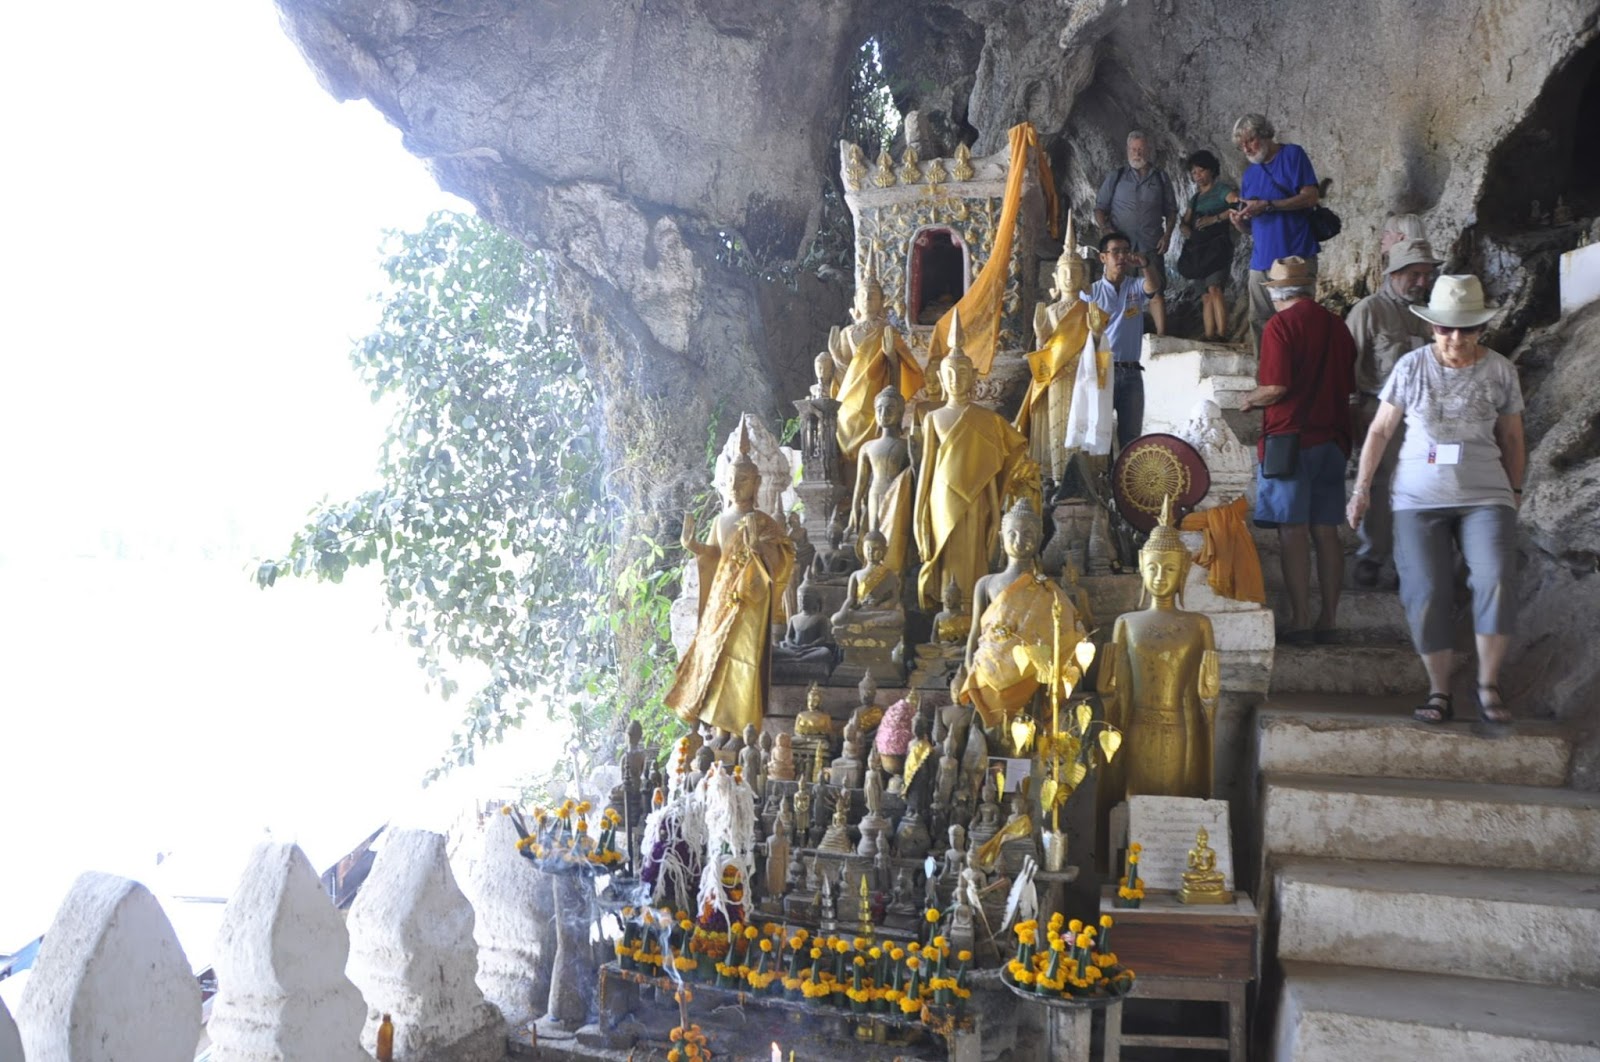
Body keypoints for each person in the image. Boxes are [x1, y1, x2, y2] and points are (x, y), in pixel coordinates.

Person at [1346, 275, 1524, 727]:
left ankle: (1487, 683)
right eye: (1446, 329)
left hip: (1486, 493)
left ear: (1481, 329)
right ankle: (1439, 688)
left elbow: (1513, 437)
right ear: (1431, 328)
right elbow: (1381, 430)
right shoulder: (1410, 366)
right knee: (1425, 590)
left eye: (1466, 329)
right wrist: (1362, 488)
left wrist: (1516, 490)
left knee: (1496, 577)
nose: (1455, 338)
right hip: (1417, 497)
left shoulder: (1501, 369)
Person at [1239, 257, 1356, 644]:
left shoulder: (1281, 326)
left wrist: (1249, 399)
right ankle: (1330, 619)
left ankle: (1302, 620)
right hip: (1333, 441)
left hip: (1292, 443)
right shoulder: (1338, 326)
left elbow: (1276, 388)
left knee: (1293, 531)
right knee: (1327, 532)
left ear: (1277, 293)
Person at [1345, 237, 1442, 587]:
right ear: (1395, 273)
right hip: (1379, 409)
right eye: (1415, 274)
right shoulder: (1369, 310)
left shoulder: (1430, 311)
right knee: (1380, 483)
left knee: (1420, 485)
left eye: (1427, 275)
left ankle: (1408, 561)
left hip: (1426, 416)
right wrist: (1353, 410)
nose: (1422, 282)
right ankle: (1373, 554)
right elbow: (1348, 365)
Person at [1227, 114, 1322, 349]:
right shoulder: (1250, 174)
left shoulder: (1292, 155)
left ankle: (1304, 379)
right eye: (1242, 146)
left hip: (1295, 254)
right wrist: (1240, 222)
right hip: (1261, 261)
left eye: (1250, 141)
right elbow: (1250, 226)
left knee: (1298, 321)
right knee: (1259, 321)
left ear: (1265, 134)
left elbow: (1310, 197)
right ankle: (1266, 379)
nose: (1247, 149)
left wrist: (1269, 205)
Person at [1095, 131, 1177, 336]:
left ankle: (1161, 336)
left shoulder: (1160, 177)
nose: (1137, 153)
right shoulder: (1117, 176)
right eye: (1133, 149)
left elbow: (1171, 210)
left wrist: (1167, 236)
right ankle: (1121, 334)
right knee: (1121, 290)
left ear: (1148, 150)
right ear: (1127, 150)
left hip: (1150, 243)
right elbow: (1099, 209)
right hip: (1122, 248)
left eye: (1141, 149)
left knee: (1156, 290)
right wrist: (1108, 232)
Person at [1088, 231, 1159, 450]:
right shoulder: (1091, 292)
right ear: (1103, 257)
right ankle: (1104, 482)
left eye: (1125, 251)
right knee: (1101, 435)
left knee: (1132, 438)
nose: (1121, 256)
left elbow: (1153, 286)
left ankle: (1127, 483)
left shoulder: (1135, 286)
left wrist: (1145, 264)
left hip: (1132, 373)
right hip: (1102, 371)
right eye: (1115, 251)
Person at [1178, 149, 1236, 341]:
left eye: (1201, 171)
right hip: (1199, 250)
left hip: (1217, 247)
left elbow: (1237, 205)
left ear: (1211, 170)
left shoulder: (1221, 190)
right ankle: (1209, 334)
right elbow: (1184, 221)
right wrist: (1185, 229)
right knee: (1204, 294)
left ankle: (1222, 334)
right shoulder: (1194, 199)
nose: (1197, 176)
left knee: (1215, 288)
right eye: (1194, 173)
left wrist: (1215, 218)